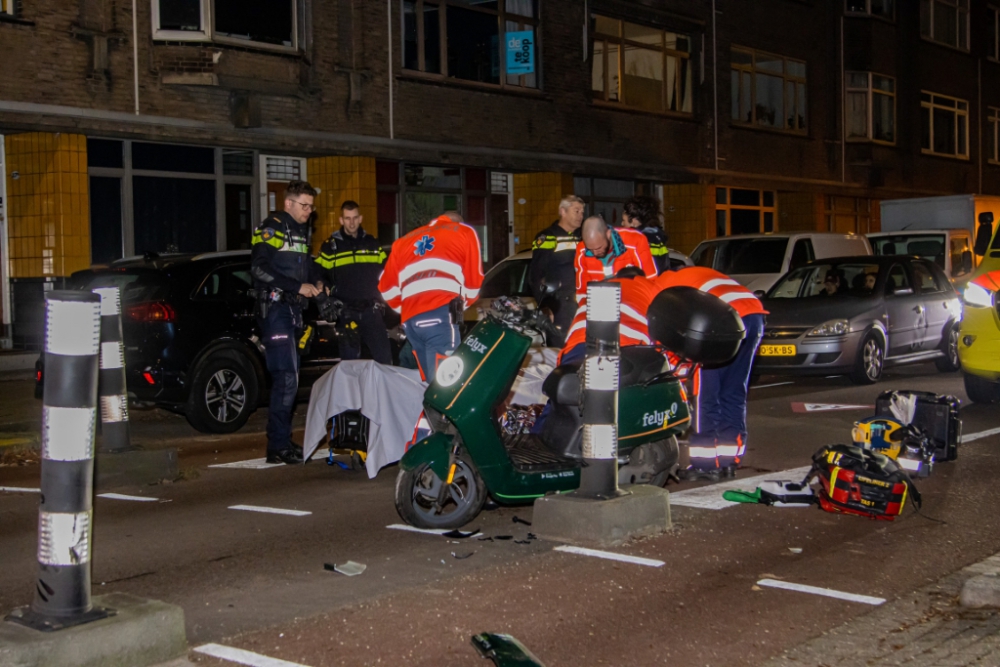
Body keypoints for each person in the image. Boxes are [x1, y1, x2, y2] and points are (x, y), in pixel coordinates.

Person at [652, 266, 767, 482]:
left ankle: (705, 465)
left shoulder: (662, 287)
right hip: (753, 315)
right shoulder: (698, 273)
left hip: (719, 322)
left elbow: (665, 332)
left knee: (707, 394)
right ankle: (728, 461)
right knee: (733, 390)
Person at [251, 180, 326, 465]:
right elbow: (258, 268)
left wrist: (317, 280)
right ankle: (277, 446)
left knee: (290, 379)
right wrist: (297, 287)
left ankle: (282, 442)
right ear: (288, 204)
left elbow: (307, 265)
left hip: (292, 311)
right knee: (285, 378)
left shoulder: (299, 231)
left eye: (311, 206)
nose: (309, 211)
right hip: (275, 309)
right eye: (304, 205)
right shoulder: (273, 227)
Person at [378, 212, 484, 381]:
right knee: (446, 384)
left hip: (411, 323)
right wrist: (461, 305)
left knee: (432, 385)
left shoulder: (403, 242)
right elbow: (474, 281)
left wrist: (407, 307)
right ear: (459, 222)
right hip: (440, 315)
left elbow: (386, 288)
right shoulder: (463, 231)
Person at [315, 200, 392, 364]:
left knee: (385, 361)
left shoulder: (372, 243)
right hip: (346, 312)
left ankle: (380, 390)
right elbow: (319, 274)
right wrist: (325, 286)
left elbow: (387, 272)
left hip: (371, 310)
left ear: (361, 218)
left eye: (355, 218)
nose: (351, 222)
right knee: (350, 366)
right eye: (347, 218)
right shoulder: (331, 247)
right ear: (341, 220)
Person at [528, 195, 585, 346]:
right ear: (563, 211)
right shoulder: (548, 237)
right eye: (576, 211)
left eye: (582, 212)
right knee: (560, 347)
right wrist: (547, 306)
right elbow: (536, 274)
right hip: (560, 305)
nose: (581, 216)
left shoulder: (583, 237)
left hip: (582, 302)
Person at [574, 215, 658, 301]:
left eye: (599, 248)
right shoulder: (582, 250)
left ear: (608, 234)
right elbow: (582, 292)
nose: (595, 253)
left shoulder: (636, 241)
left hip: (632, 301)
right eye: (590, 249)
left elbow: (650, 282)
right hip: (599, 304)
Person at [621, 195, 671, 274]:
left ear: (634, 221)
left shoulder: (640, 240)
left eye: (624, 220)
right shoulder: (656, 236)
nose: (622, 223)